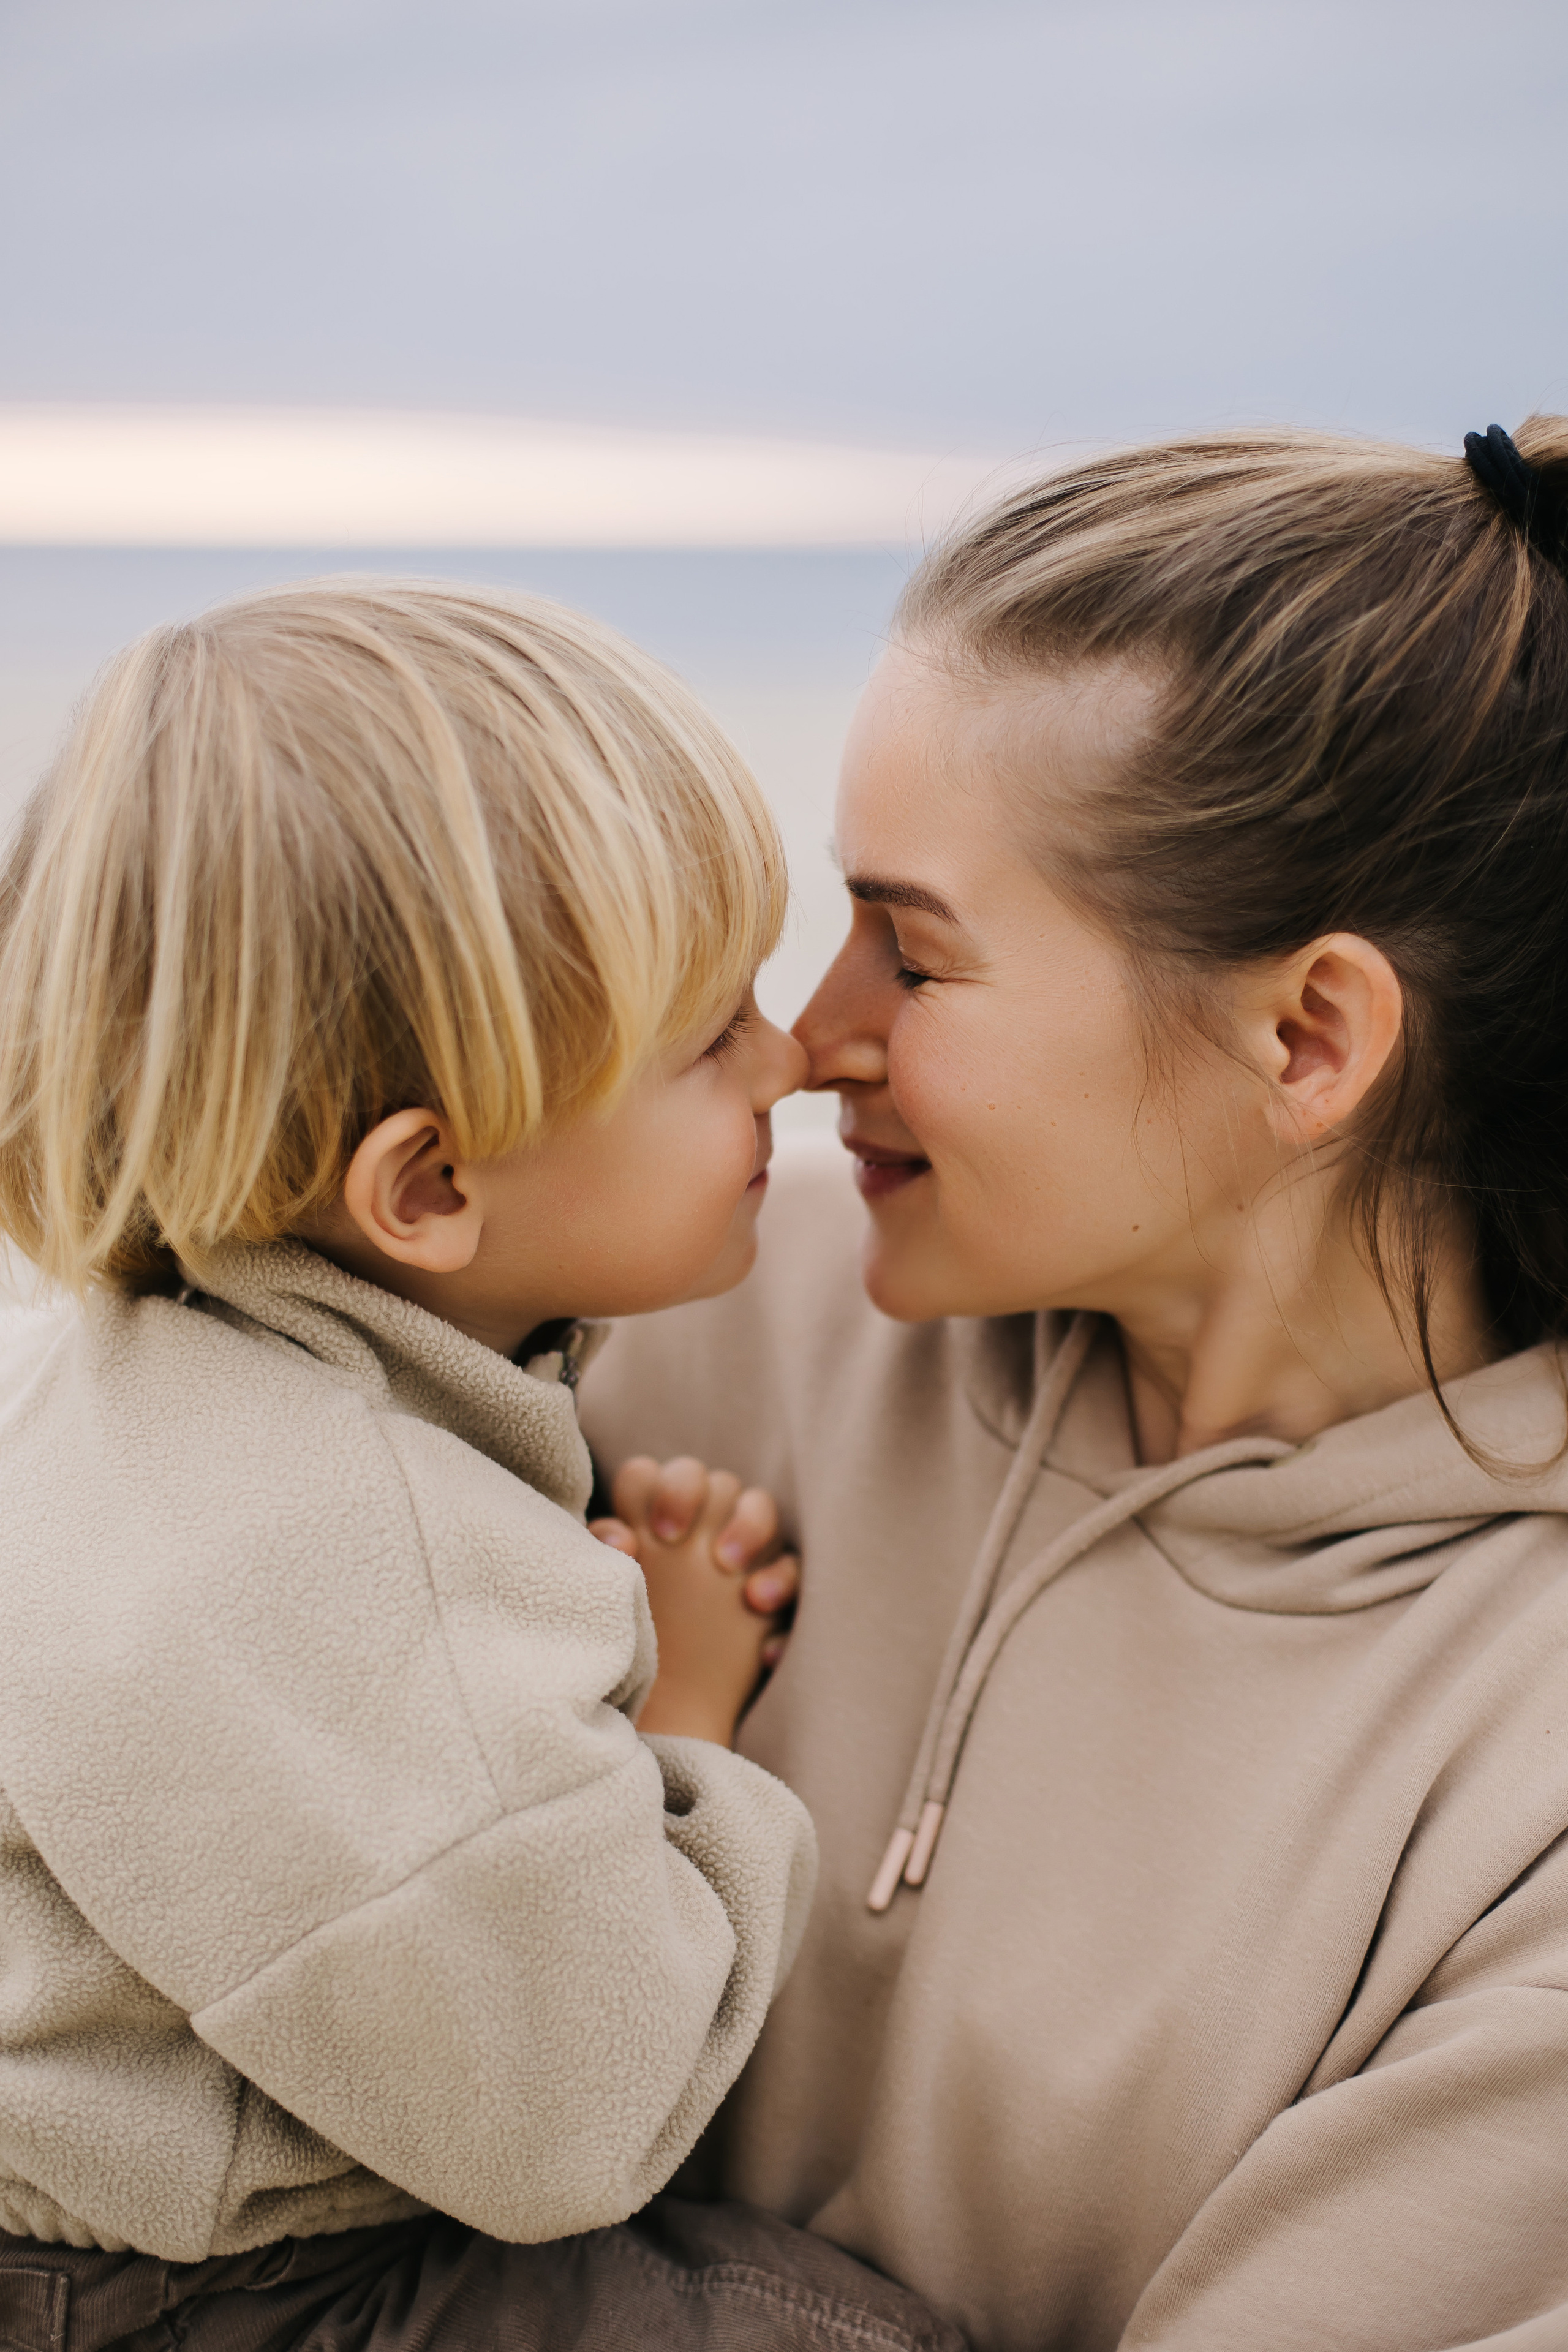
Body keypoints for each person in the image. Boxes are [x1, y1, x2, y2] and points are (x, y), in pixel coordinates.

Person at [582, 420, 1568, 2350]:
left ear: (1310, 1036)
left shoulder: (1525, 1778)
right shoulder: (679, 1300)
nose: (806, 1040)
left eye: (914, 957)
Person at [0, 580, 964, 2352]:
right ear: (430, 1189)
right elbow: (577, 2122)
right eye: (710, 1039)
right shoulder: (362, 1556)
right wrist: (683, 1721)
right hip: (206, 2297)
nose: (792, 1059)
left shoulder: (120, 1379)